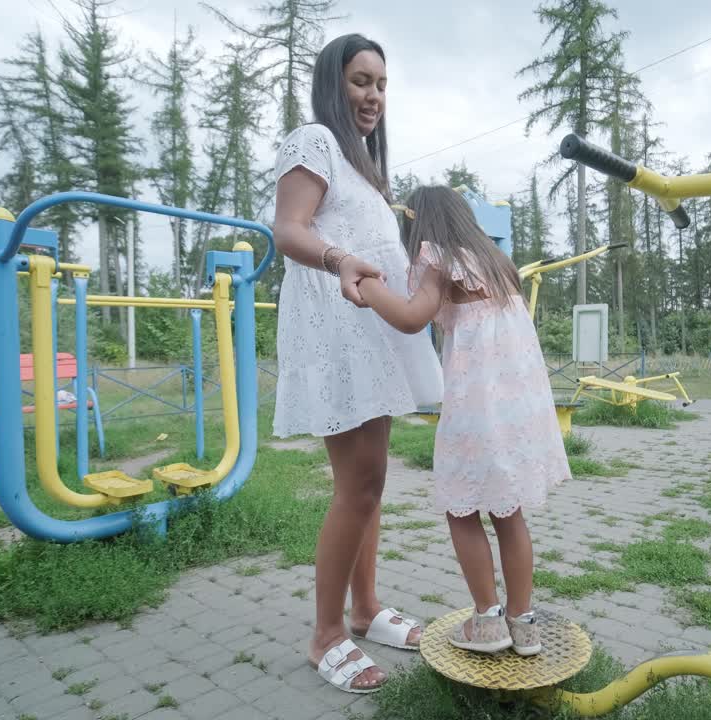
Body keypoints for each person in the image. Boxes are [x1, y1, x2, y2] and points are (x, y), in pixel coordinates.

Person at [270, 34, 443, 694]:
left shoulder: (364, 166)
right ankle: (325, 634)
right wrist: (341, 260)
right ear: (332, 83)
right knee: (358, 484)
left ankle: (366, 610)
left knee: (371, 481)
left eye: (381, 84)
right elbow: (289, 230)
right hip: (336, 333)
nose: (373, 96)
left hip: (373, 335)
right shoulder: (314, 139)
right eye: (360, 81)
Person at [357, 185, 571, 657]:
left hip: (477, 407)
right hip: (519, 409)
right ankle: (524, 624)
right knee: (509, 511)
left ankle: (487, 621)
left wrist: (370, 287)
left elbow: (413, 317)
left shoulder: (437, 256)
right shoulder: (496, 262)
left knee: (461, 507)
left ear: (422, 226)